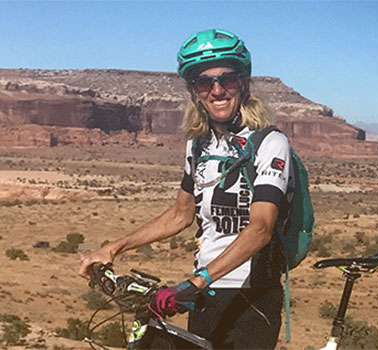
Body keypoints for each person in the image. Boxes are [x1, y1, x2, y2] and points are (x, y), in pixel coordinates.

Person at [78, 28, 291, 349]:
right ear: (195, 91)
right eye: (205, 82)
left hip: (252, 296)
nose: (217, 90)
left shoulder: (270, 143)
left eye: (227, 80)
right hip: (206, 294)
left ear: (243, 83)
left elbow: (261, 229)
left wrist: (195, 283)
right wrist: (112, 248)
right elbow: (180, 215)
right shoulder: (198, 145)